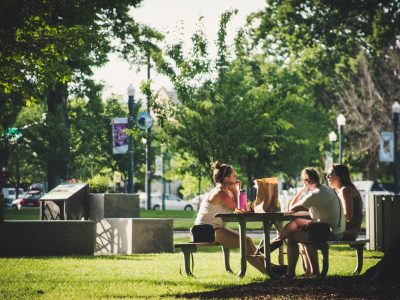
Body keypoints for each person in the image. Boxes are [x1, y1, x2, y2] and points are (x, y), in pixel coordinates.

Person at [269, 167, 345, 278]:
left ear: (305, 181)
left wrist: (302, 190)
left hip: (330, 232)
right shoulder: (326, 189)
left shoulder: (315, 194)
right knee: (299, 225)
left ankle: (290, 272)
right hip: (335, 229)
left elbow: (292, 208)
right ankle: (313, 272)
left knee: (292, 237)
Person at [194, 161, 266, 274]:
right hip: (205, 231)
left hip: (214, 228)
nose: (236, 177)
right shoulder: (220, 193)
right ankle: (267, 272)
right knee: (245, 243)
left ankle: (271, 267)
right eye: (234, 175)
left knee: (247, 240)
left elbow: (243, 208)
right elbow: (241, 208)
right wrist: (236, 189)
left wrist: (235, 190)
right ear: (227, 179)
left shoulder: (225, 192)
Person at [326, 164, 363, 240]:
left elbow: (348, 216)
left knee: (313, 235)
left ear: (339, 175)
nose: (327, 177)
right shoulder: (344, 190)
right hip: (348, 230)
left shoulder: (345, 190)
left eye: (330, 174)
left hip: (350, 231)